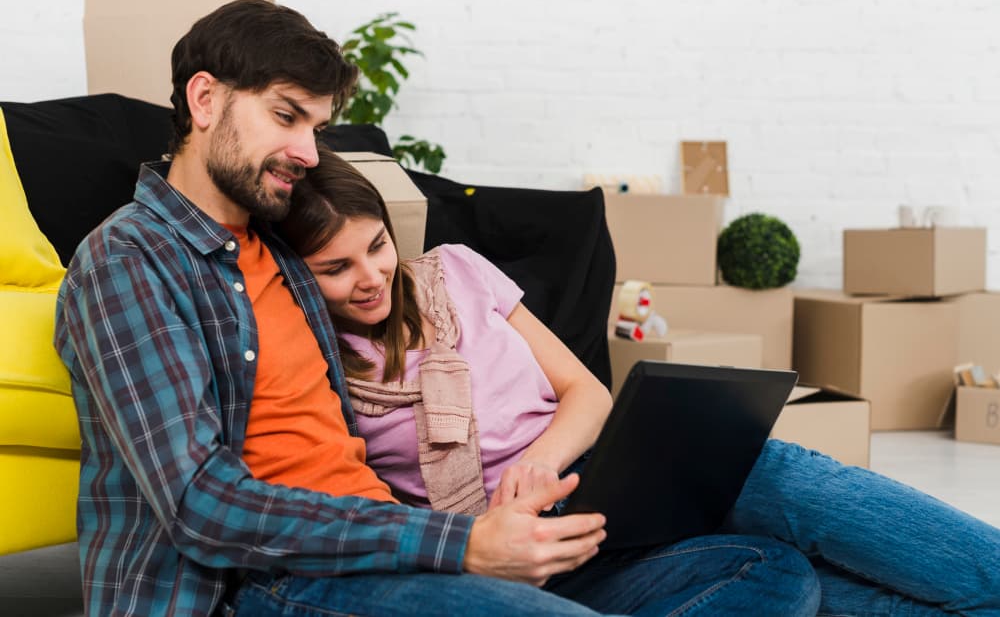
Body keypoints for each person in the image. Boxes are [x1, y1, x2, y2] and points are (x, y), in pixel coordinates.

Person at [54, 0, 821, 617]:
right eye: (288, 117)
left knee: (771, 573)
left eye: (317, 128)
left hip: (386, 542)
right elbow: (199, 505)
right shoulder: (128, 262)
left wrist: (503, 496)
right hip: (270, 579)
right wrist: (461, 545)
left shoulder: (280, 246)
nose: (310, 151)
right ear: (204, 99)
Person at [280, 147, 1000, 617]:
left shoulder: (454, 271)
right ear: (296, 275)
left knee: (776, 470)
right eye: (336, 268)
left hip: (591, 474)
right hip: (518, 553)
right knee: (784, 576)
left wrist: (538, 463)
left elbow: (586, 389)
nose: (372, 276)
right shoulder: (310, 358)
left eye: (375, 246)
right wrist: (494, 528)